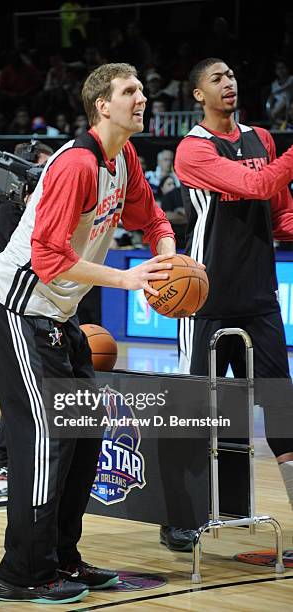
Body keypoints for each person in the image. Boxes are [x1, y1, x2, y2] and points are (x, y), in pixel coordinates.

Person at [0, 62, 176, 604]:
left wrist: (166, 261)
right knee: (47, 437)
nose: (142, 97)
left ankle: (61, 559)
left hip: (58, 312)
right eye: (130, 91)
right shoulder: (76, 164)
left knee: (87, 432)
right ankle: (21, 574)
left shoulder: (125, 158)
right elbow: (47, 258)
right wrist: (127, 278)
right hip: (20, 304)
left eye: (142, 89)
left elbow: (154, 219)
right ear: (102, 106)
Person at [171, 57, 293, 552]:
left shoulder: (262, 139)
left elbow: (279, 212)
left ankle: (248, 511)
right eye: (216, 79)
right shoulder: (191, 150)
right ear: (198, 94)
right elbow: (258, 185)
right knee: (196, 413)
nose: (229, 84)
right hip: (205, 297)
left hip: (260, 297)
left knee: (283, 414)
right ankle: (178, 517)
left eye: (232, 76)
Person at [0, 140, 54, 481]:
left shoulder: (41, 208)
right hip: (16, 305)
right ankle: (0, 456)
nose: (47, 176)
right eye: (40, 169)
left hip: (49, 305)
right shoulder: (8, 213)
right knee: (19, 387)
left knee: (40, 388)